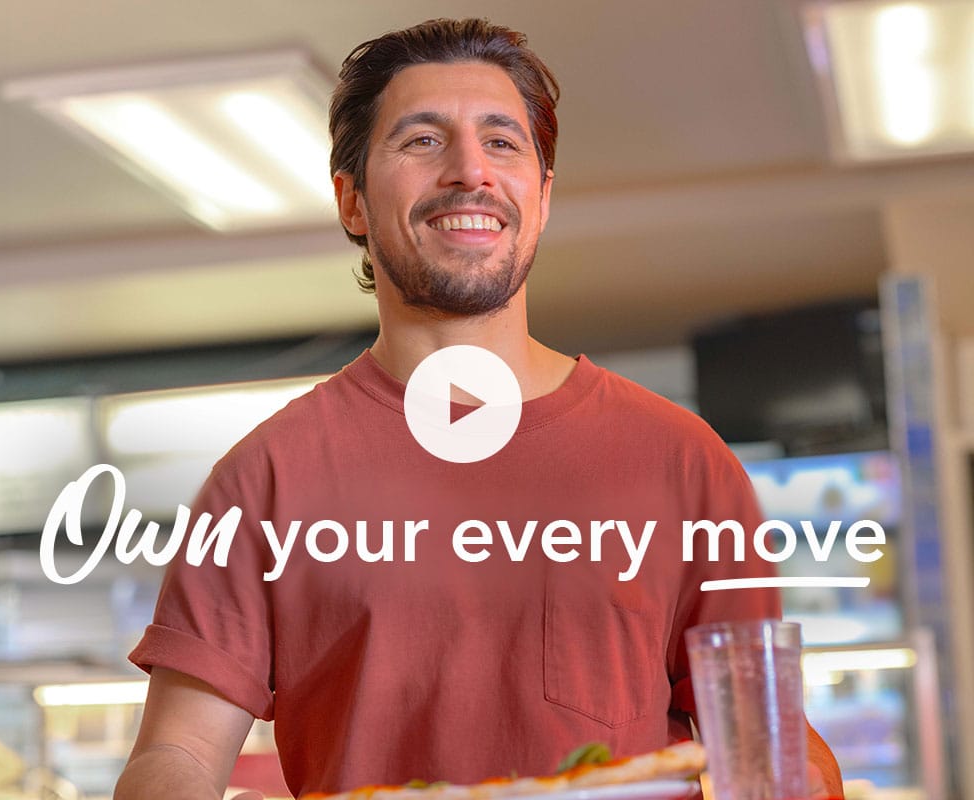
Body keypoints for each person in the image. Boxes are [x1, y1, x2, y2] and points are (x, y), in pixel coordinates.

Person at [114, 18, 843, 800]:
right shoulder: (265, 481)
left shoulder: (682, 462)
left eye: (502, 143)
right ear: (352, 200)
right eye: (422, 141)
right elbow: (179, 753)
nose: (471, 171)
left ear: (543, 196)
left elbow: (770, 738)